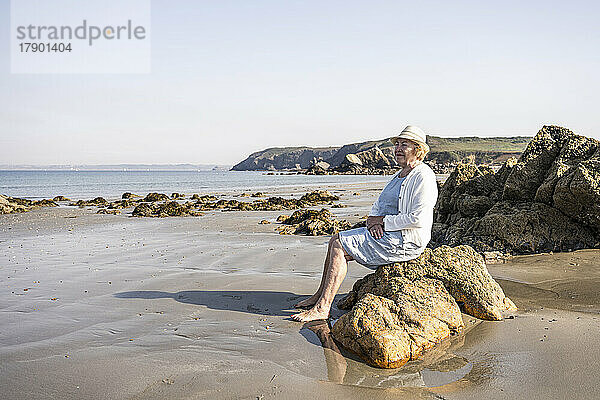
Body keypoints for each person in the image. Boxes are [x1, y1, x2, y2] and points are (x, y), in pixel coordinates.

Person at [291, 125, 438, 322]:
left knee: (339, 245)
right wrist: (372, 222)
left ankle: (323, 307)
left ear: (418, 149)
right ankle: (319, 296)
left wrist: (383, 222)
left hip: (405, 241)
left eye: (405, 145)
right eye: (397, 145)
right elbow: (379, 205)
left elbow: (417, 218)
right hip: (389, 233)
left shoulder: (423, 176)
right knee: (335, 238)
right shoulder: (399, 175)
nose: (398, 149)